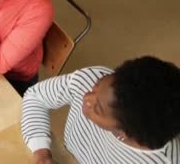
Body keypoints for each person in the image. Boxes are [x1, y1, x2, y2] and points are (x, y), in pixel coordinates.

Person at [21, 56, 180, 164]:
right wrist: (41, 152)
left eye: (98, 108)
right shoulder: (90, 79)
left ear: (124, 132)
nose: (87, 97)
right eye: (97, 85)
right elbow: (36, 96)